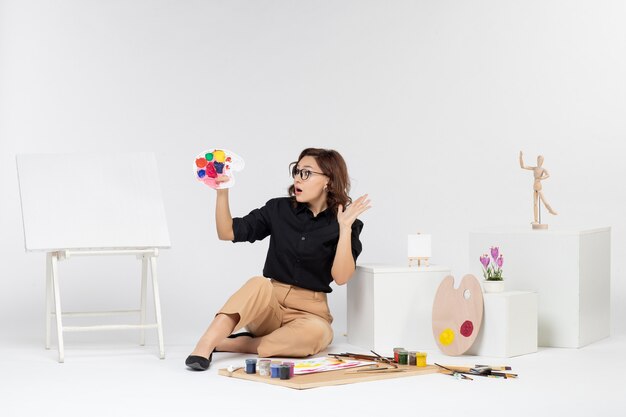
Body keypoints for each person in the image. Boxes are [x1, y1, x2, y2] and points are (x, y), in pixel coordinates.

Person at [185, 148, 371, 370]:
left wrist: (344, 228)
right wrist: (222, 191)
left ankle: (236, 344)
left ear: (328, 182)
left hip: (309, 313)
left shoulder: (347, 224)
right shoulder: (278, 208)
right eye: (297, 171)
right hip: (269, 305)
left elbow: (341, 277)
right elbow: (227, 233)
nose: (297, 178)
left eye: (306, 173)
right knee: (258, 284)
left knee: (317, 335)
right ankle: (205, 346)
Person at [519, 151, 557, 225]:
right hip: (534, 187)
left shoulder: (543, 169)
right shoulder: (534, 168)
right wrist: (521, 157)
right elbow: (523, 166)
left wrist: (541, 178)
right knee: (535, 204)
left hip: (539, 186)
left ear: (542, 161)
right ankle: (536, 220)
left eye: (540, 160)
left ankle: (551, 210)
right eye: (538, 160)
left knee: (544, 201)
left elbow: (548, 175)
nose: (539, 161)